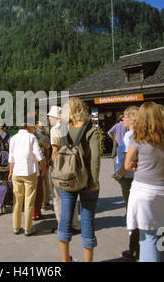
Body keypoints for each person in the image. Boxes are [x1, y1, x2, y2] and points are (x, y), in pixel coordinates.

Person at [124, 102, 164, 262]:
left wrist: (138, 164)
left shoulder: (138, 138)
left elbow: (127, 164)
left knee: (148, 238)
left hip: (144, 191)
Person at [53, 97, 100, 262]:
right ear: (83, 109)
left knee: (65, 220)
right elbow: (95, 159)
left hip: (68, 179)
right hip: (87, 180)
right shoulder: (91, 129)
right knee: (87, 221)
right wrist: (94, 181)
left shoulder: (63, 129)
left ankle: (66, 260)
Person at [9, 114, 45, 236]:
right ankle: (28, 228)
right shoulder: (31, 138)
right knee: (29, 201)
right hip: (30, 172)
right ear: (28, 125)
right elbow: (38, 155)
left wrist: (10, 171)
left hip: (16, 172)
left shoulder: (13, 138)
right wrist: (43, 166)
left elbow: (11, 158)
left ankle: (16, 226)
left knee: (17, 200)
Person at [113, 106, 140, 261]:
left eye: (124, 116)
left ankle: (134, 248)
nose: (122, 119)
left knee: (131, 213)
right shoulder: (137, 133)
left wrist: (119, 174)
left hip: (128, 177)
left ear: (132, 118)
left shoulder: (130, 135)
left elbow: (127, 161)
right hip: (135, 176)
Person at [48, 106, 80, 233]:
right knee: (71, 196)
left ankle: (62, 225)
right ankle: (75, 224)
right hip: (73, 165)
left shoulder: (55, 130)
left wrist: (55, 168)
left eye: (50, 116)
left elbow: (55, 151)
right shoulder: (71, 127)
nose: (49, 119)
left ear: (55, 117)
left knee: (58, 198)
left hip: (61, 167)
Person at [31, 112, 50, 220]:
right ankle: (37, 210)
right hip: (40, 161)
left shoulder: (28, 131)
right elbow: (47, 148)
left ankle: (32, 211)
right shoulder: (42, 131)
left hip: (28, 162)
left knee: (30, 188)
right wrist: (46, 161)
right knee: (39, 187)